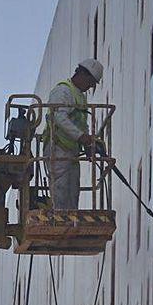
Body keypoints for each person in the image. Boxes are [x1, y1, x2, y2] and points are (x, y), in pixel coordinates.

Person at [43, 58, 104, 210]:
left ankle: (70, 223)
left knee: (72, 191)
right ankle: (60, 221)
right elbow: (59, 118)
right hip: (57, 148)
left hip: (72, 151)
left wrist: (88, 144)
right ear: (83, 74)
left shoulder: (80, 97)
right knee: (61, 189)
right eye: (91, 82)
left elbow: (82, 123)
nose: (90, 86)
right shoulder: (63, 91)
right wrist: (81, 137)